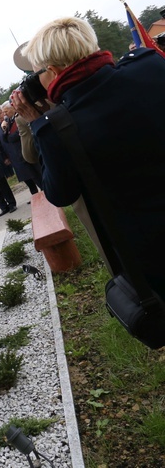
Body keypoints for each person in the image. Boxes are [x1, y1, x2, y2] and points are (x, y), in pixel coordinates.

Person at [11, 15, 165, 301]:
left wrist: (37, 122)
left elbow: (60, 193)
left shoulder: (61, 126)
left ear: (54, 72)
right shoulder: (149, 65)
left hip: (152, 251)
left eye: (37, 73)